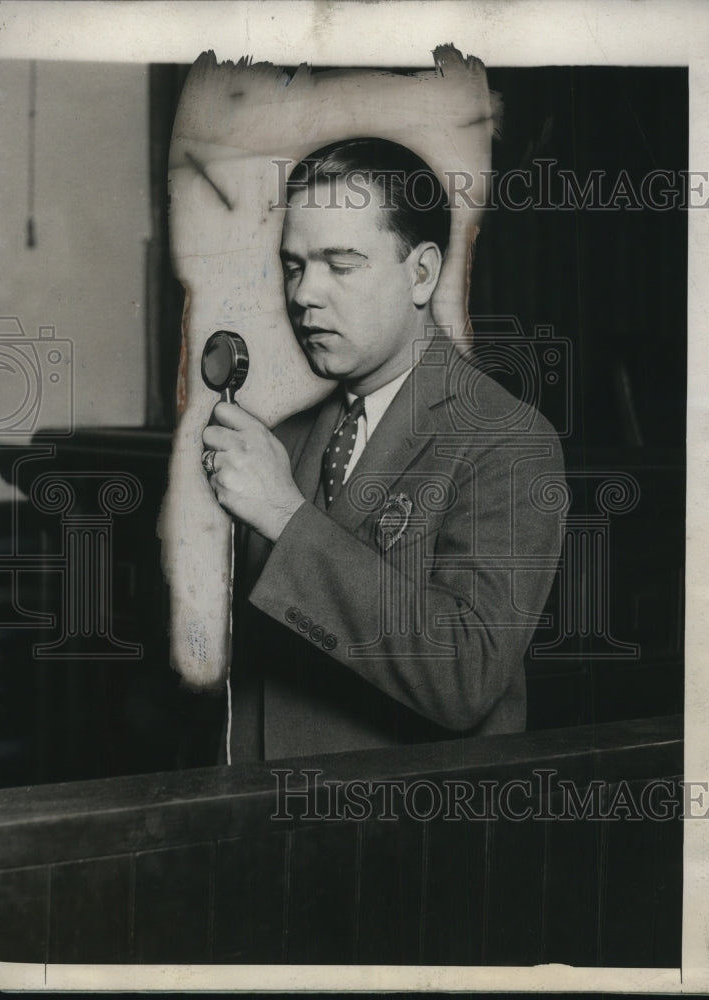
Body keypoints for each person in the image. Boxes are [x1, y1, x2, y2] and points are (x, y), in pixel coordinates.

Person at [201, 137, 565, 760]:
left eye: (340, 266)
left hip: (406, 838)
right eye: (294, 265)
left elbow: (465, 678)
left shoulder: (507, 439)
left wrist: (287, 519)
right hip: (266, 827)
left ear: (421, 273)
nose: (304, 295)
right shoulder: (283, 441)